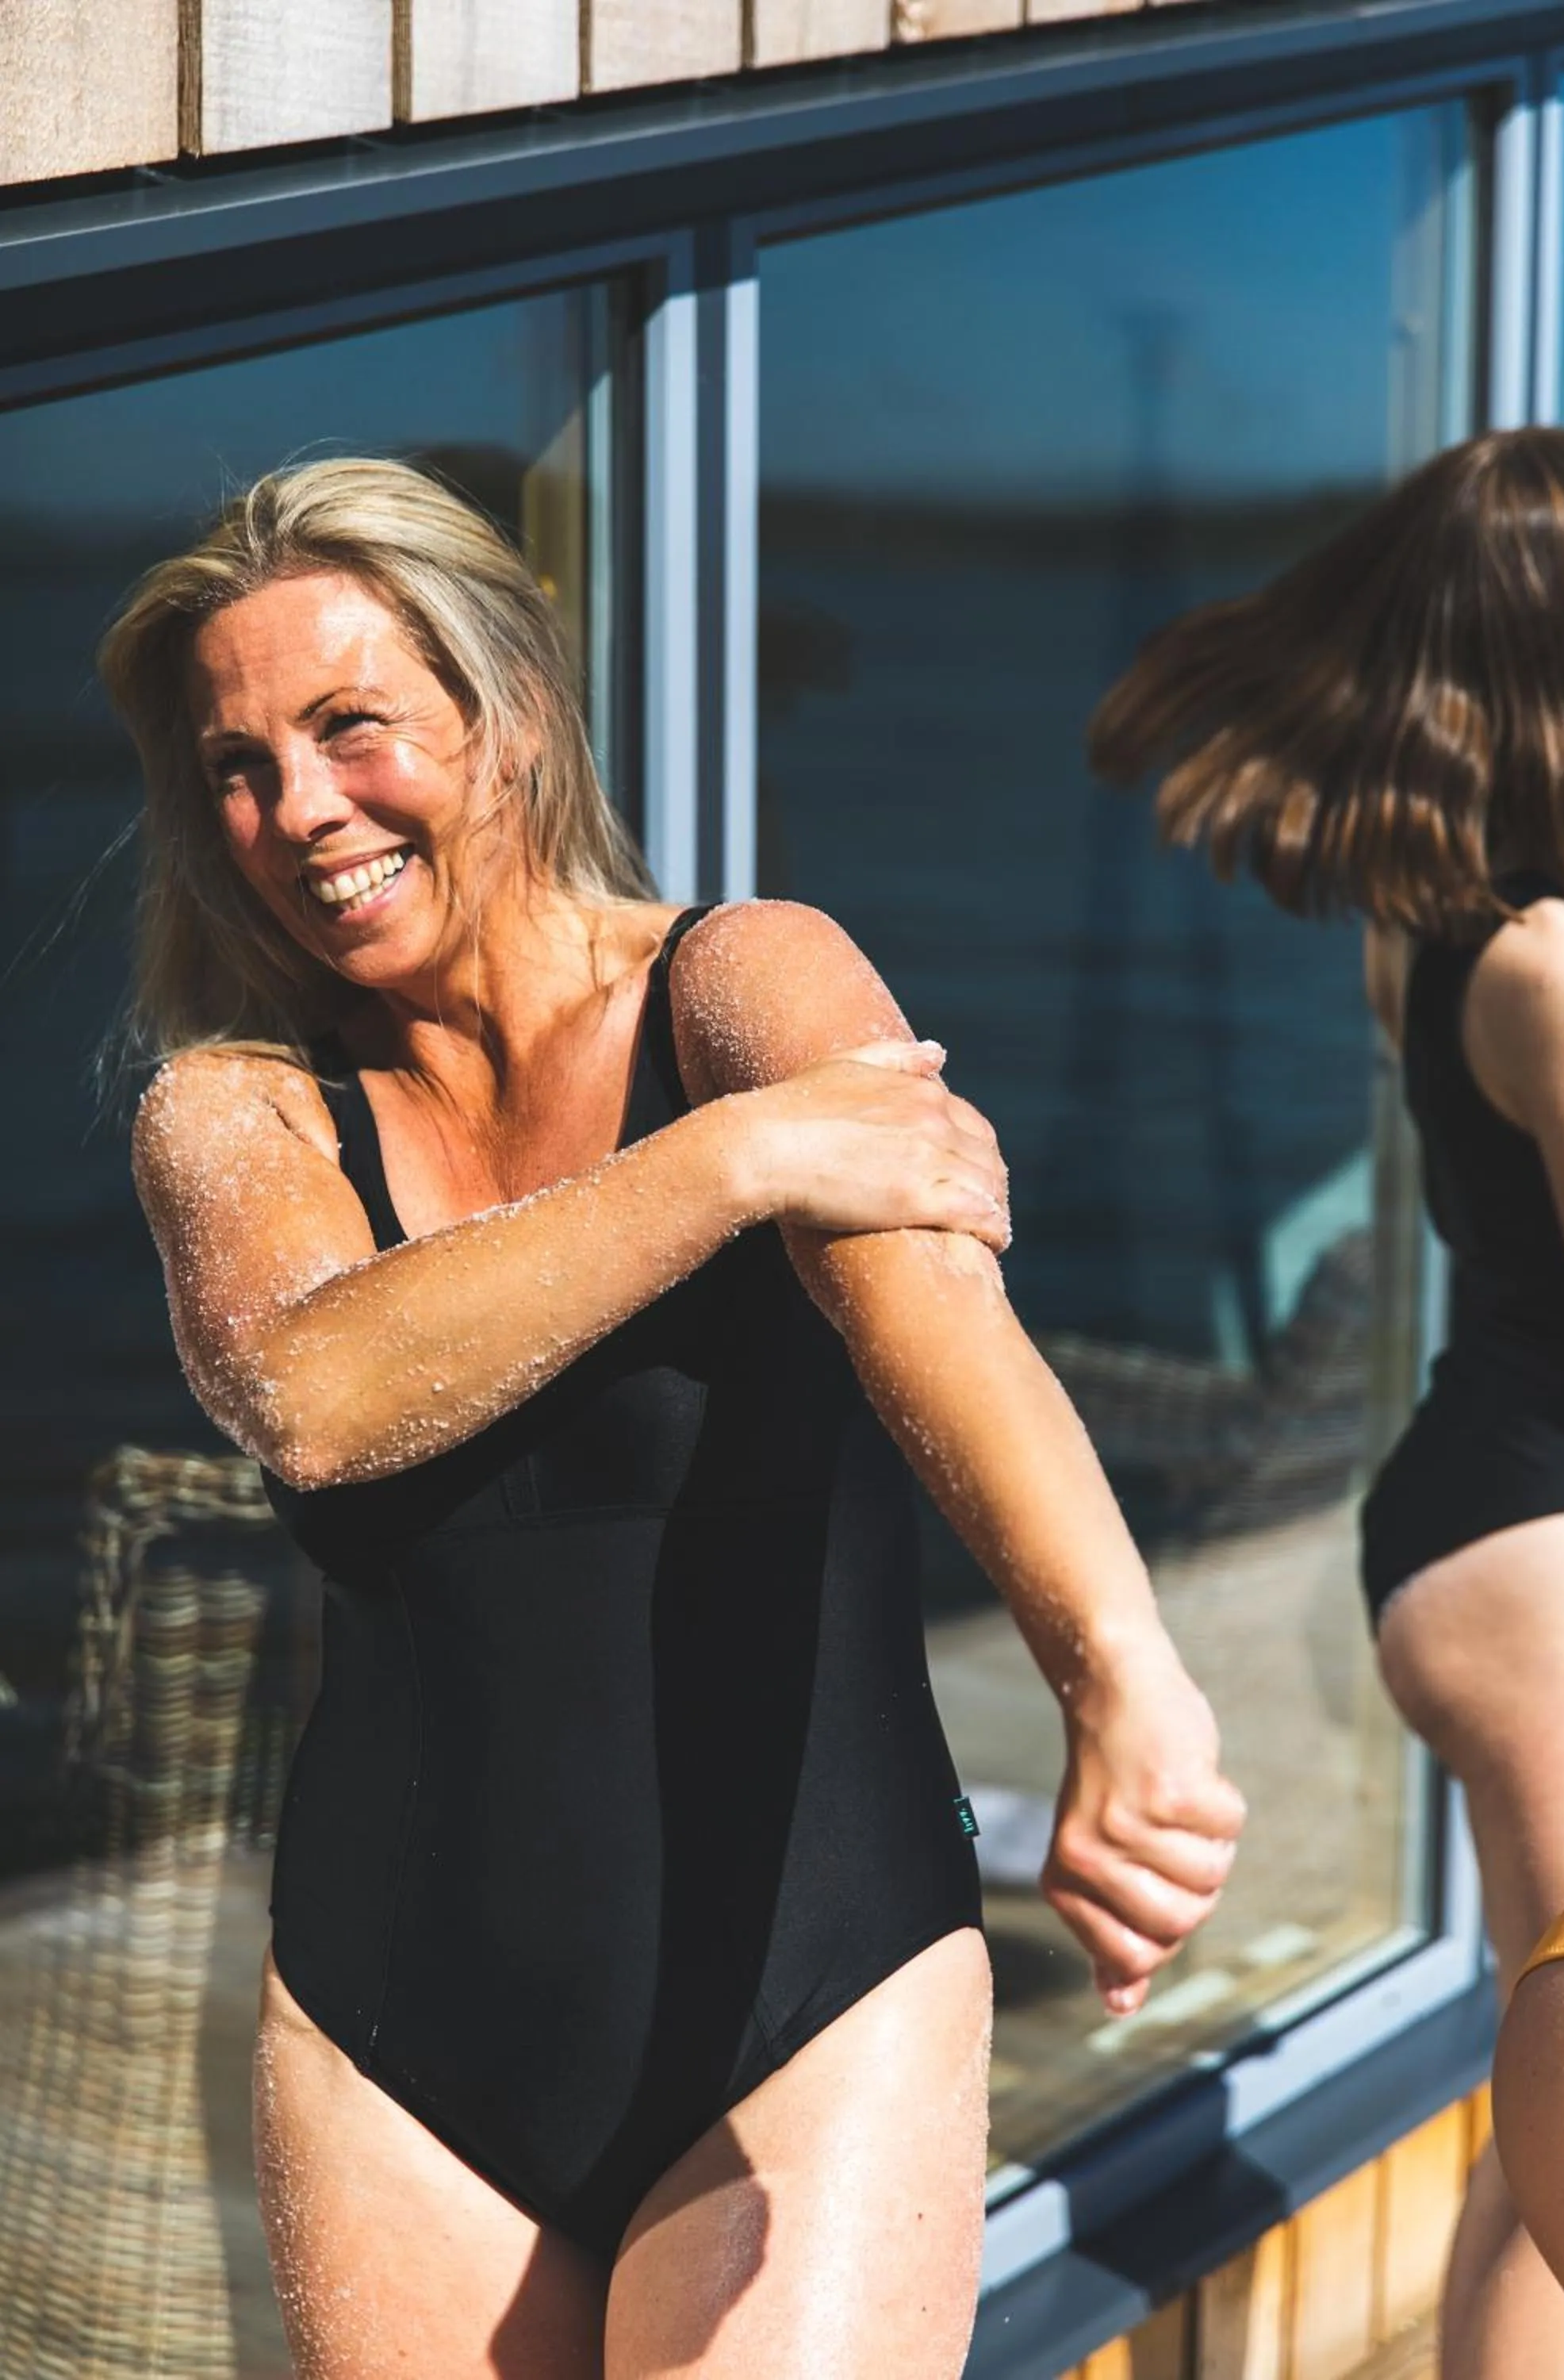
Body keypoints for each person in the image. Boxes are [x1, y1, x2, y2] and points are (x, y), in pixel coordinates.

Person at [107, 456, 1244, 2380]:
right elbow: (313, 1395)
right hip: (395, 2027)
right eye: (236, 765)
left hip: (810, 1986)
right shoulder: (234, 1111)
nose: (296, 809)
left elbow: (945, 1328)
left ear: (509, 720)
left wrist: (1117, 1668)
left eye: (349, 725)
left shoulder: (745, 980)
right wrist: (726, 1172)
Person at [1089, 424, 1564, 2378]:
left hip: (1494, 1520)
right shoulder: (1546, 967)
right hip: (1545, 1551)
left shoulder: (1438, 920)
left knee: (1539, 2113)